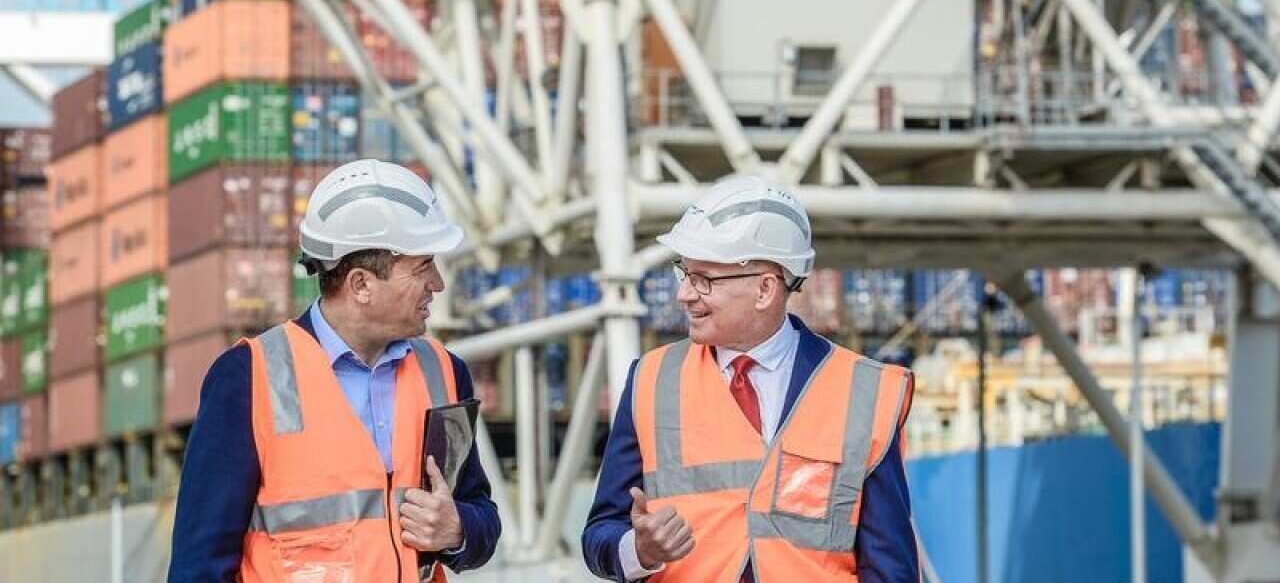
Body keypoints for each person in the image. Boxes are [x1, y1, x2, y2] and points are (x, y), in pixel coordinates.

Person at [168, 159, 500, 582]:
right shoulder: (249, 378)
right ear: (360, 284)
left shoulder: (445, 372)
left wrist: (458, 531)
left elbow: (481, 517)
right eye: (423, 267)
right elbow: (198, 566)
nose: (437, 283)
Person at [582, 175, 918, 582]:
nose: (684, 294)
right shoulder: (651, 381)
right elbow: (599, 536)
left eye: (703, 279)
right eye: (683, 273)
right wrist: (638, 550)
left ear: (764, 289)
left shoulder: (867, 393)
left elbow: (890, 568)